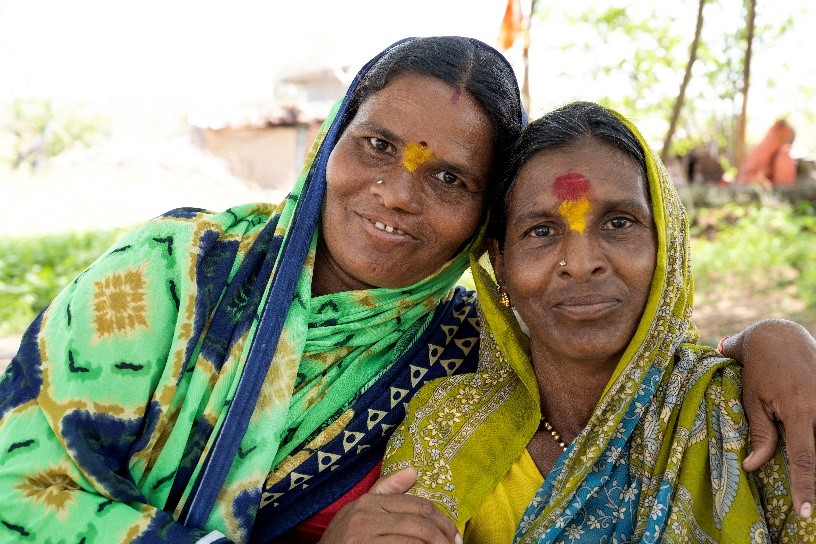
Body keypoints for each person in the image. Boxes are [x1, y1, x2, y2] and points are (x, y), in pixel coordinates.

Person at [0, 37, 812, 544]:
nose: (396, 192)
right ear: (329, 140)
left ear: (478, 238)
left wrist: (770, 340)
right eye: (379, 144)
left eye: (450, 177)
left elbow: (632, 357)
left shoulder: (457, 353)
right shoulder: (175, 272)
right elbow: (19, 479)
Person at [382, 101, 816, 542]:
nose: (581, 262)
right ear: (501, 262)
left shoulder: (751, 414)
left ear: (666, 243)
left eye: (618, 222)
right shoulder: (444, 428)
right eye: (542, 231)